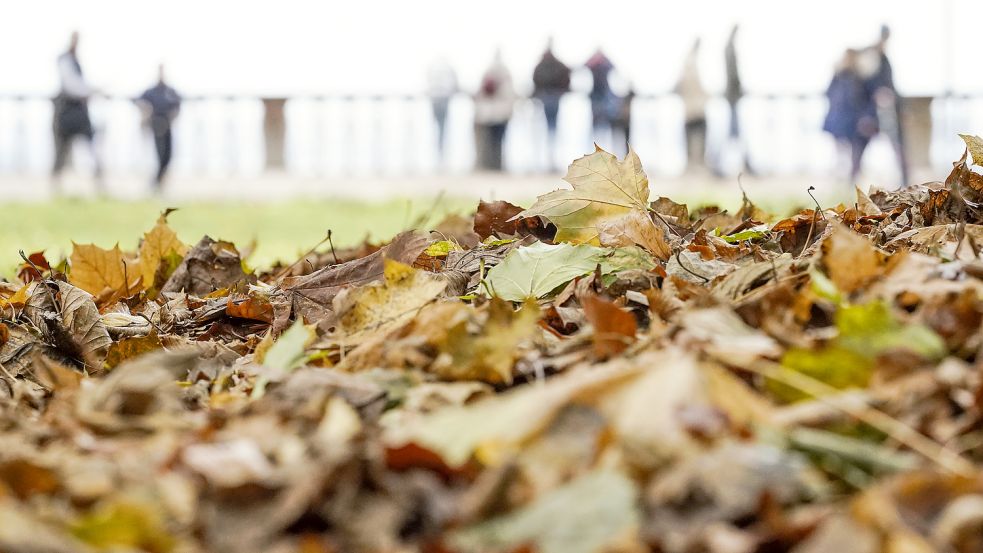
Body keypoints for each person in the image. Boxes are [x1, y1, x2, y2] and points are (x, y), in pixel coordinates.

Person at [52, 31, 103, 191]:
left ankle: (99, 183)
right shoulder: (64, 59)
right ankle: (55, 186)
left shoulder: (75, 61)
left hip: (79, 112)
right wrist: (91, 91)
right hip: (66, 112)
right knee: (61, 151)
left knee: (91, 147)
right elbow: (72, 85)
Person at [822, 49, 877, 185]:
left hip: (856, 122)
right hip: (840, 120)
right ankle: (842, 179)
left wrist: (866, 118)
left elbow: (868, 100)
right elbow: (829, 94)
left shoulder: (862, 78)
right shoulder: (839, 76)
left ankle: (852, 180)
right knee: (841, 154)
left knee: (856, 154)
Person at [864, 25, 909, 186]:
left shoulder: (883, 58)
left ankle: (903, 182)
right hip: (873, 111)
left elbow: (889, 85)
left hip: (888, 109)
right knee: (864, 150)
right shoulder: (871, 55)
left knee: (897, 147)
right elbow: (866, 86)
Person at [137, 64, 181, 191]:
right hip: (156, 125)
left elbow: (177, 105)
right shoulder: (151, 91)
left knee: (168, 155)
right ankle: (156, 183)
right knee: (160, 155)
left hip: (168, 126)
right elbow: (140, 102)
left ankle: (157, 181)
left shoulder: (170, 91)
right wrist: (145, 114)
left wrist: (173, 116)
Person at [532, 38, 571, 170]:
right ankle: (549, 158)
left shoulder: (542, 64)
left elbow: (535, 78)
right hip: (552, 97)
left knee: (549, 127)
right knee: (552, 127)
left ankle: (548, 158)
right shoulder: (556, 64)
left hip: (547, 97)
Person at [473, 50, 515, 171]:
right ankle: (498, 165)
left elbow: (481, 93)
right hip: (502, 112)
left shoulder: (488, 71)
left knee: (489, 141)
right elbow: (510, 94)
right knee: (499, 141)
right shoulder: (506, 73)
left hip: (488, 113)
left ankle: (488, 165)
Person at [722, 24, 754, 175]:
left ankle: (740, 163)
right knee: (733, 132)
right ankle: (741, 164)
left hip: (732, 95)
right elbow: (733, 75)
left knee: (733, 132)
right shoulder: (730, 49)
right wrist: (739, 88)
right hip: (733, 96)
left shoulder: (728, 49)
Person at [676, 38, 709, 172]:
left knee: (692, 138)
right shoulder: (691, 65)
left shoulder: (687, 65)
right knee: (697, 137)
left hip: (690, 109)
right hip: (695, 109)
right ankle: (696, 164)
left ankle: (693, 164)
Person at [426, 57, 458, 165]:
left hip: (434, 99)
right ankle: (441, 154)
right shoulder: (449, 69)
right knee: (442, 127)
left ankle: (437, 155)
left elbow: (428, 81)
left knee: (436, 126)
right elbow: (455, 84)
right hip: (444, 99)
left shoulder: (433, 68)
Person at [585, 48, 618, 144]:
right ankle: (595, 143)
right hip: (595, 95)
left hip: (604, 96)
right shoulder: (593, 65)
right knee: (595, 120)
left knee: (604, 120)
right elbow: (585, 65)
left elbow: (613, 66)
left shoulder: (605, 65)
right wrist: (594, 59)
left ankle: (602, 144)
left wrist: (604, 57)